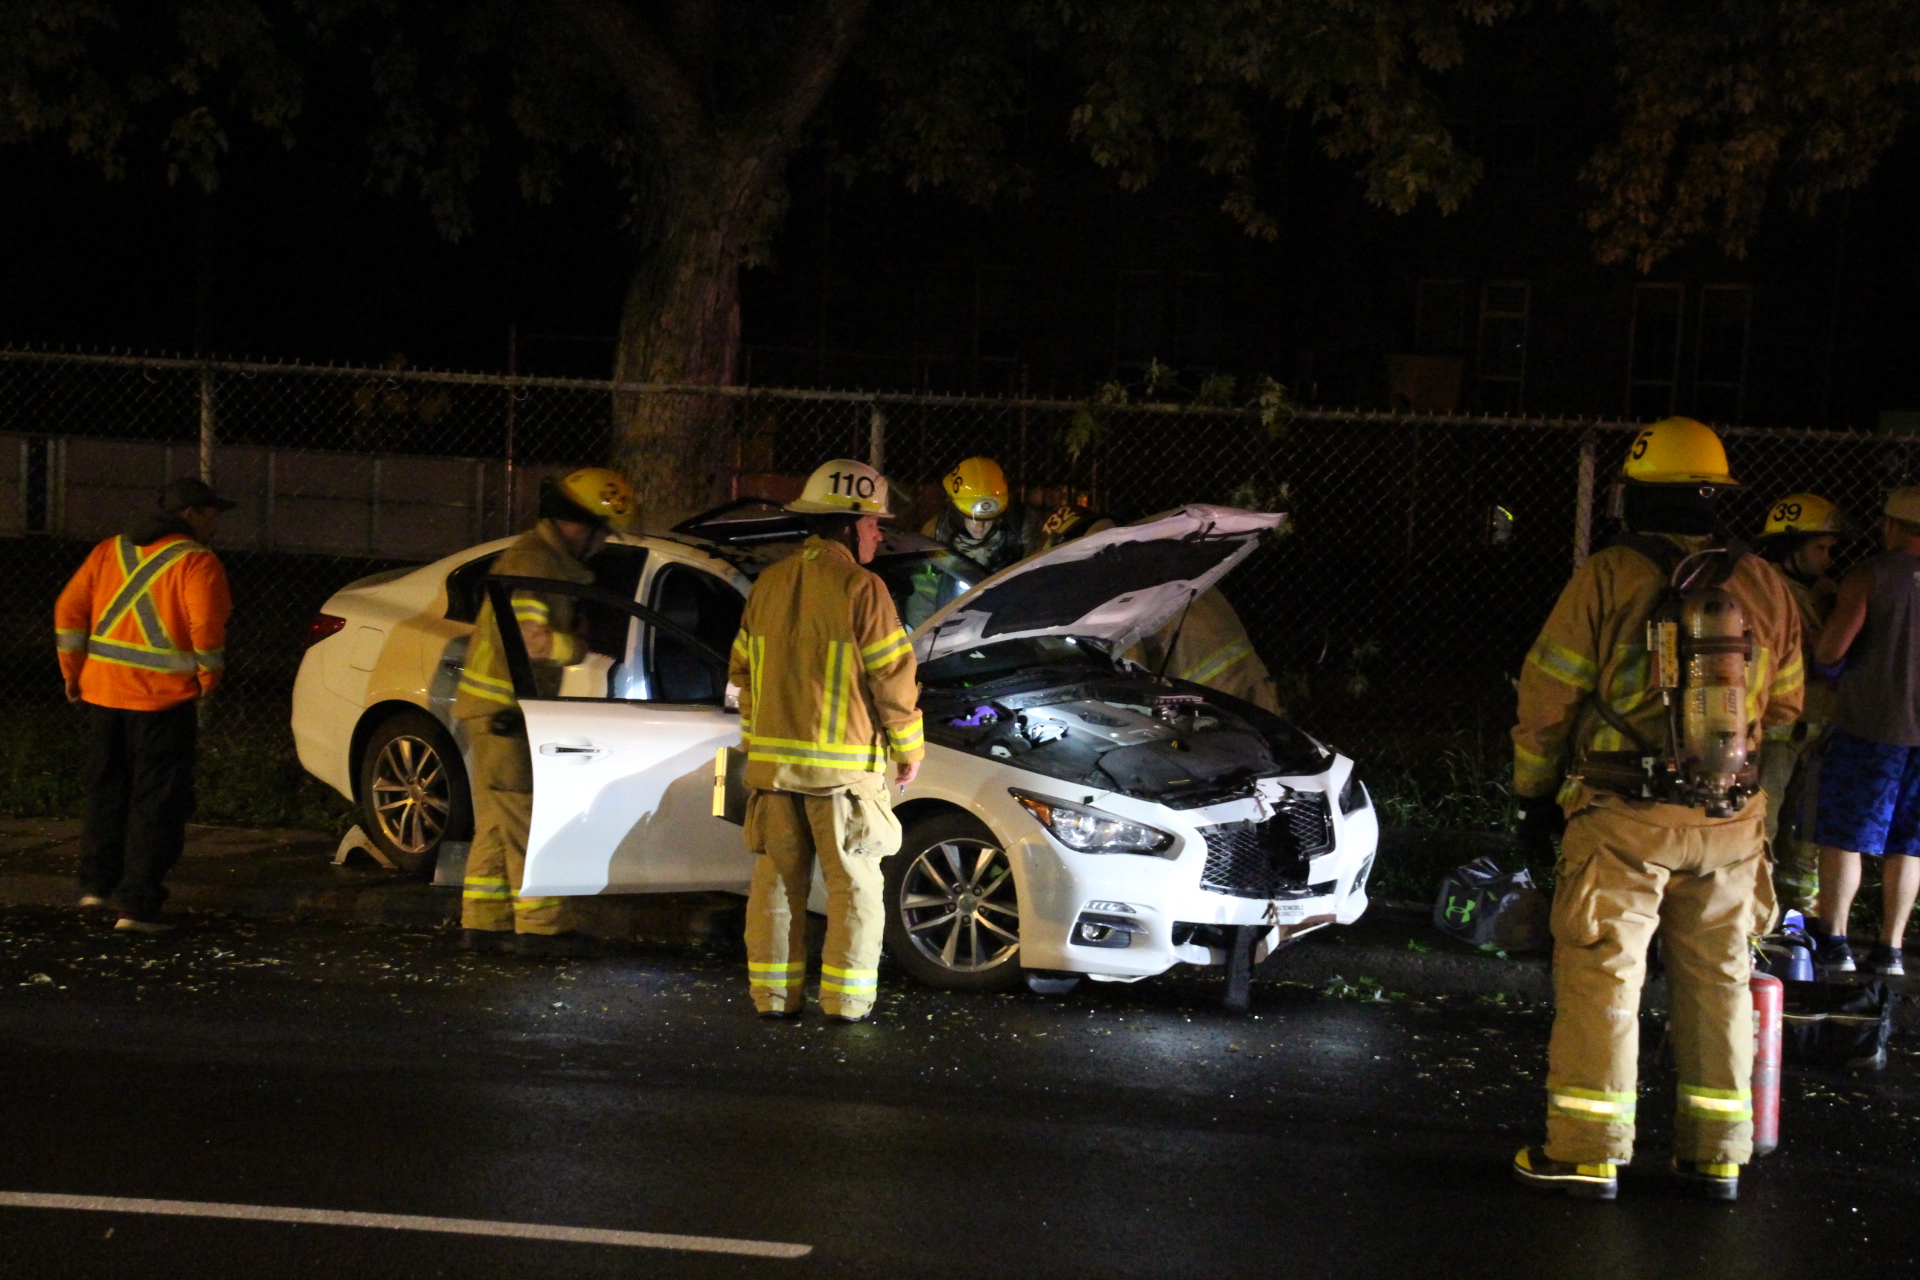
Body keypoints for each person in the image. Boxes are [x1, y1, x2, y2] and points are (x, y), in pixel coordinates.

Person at [1508, 417, 1801, 1203]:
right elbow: (1787, 707)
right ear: (1716, 496)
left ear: (1637, 495)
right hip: (1732, 824)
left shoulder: (1608, 575)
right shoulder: (1767, 585)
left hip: (1622, 818)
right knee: (1720, 980)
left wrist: (1532, 794)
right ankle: (1716, 1154)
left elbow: (1547, 696)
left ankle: (1585, 1149)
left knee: (1606, 973)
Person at [728, 458, 924, 1023]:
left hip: (773, 776)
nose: (878, 534)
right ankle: (845, 1001)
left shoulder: (767, 584)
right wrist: (908, 749)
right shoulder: (862, 588)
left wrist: (756, 744)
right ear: (847, 523)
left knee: (775, 891)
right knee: (854, 891)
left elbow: (740, 675)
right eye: (873, 524)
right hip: (842, 779)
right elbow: (893, 679)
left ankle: (771, 997)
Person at [452, 467, 639, 957]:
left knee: (497, 819)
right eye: (603, 534)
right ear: (583, 525)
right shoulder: (539, 565)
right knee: (528, 819)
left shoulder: (539, 559)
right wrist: (575, 646)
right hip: (506, 712)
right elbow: (531, 638)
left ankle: (483, 922)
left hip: (492, 709)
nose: (602, 546)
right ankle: (543, 928)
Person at [55, 476, 235, 933]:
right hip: (162, 702)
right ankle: (137, 906)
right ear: (190, 515)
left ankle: (96, 887)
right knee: (157, 801)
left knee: (106, 792)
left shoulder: (109, 551)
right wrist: (208, 678)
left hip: (102, 695)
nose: (215, 522)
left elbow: (68, 610)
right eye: (211, 513)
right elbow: (206, 628)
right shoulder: (198, 562)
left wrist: (72, 672)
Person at [1805, 487, 1920, 978]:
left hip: (1871, 728)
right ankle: (1890, 951)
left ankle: (1835, 943)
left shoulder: (1869, 575)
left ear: (1891, 526)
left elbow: (1830, 652)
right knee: (1910, 845)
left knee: (1847, 838)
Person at [1754, 493, 1845, 911]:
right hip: (1774, 739)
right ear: (1792, 545)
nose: (1828, 557)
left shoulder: (1818, 593)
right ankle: (1753, 923)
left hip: (1814, 734)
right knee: (1763, 830)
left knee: (1804, 839)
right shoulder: (1767, 591)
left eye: (1831, 548)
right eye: (1819, 547)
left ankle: (1798, 921)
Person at [906, 456, 1041, 625]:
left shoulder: (1022, 530)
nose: (981, 526)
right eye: (971, 517)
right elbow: (922, 599)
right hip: (953, 628)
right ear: (956, 509)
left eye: (989, 518)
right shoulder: (935, 536)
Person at [1126, 588, 1285, 715]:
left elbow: (1128, 675)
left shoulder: (1130, 601)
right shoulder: (1198, 577)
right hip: (1249, 688)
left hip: (1206, 704)